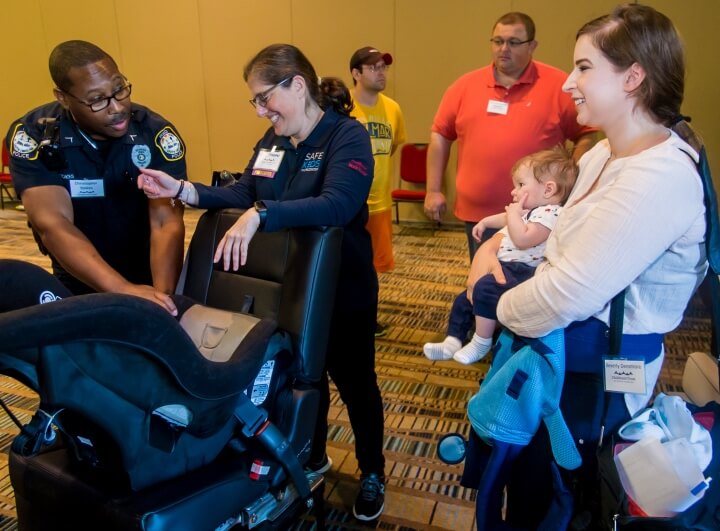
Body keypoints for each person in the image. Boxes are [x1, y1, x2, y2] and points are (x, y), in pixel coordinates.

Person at [137, 44, 387, 522]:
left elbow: (336, 205)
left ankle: (373, 470)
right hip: (288, 286)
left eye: (262, 97)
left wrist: (261, 215)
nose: (259, 109)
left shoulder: (346, 136)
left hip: (343, 287)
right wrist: (184, 190)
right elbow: (243, 190)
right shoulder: (272, 142)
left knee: (354, 381)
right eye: (254, 102)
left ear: (296, 85)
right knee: (298, 375)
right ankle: (310, 455)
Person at [479, 4, 708, 527]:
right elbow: (554, 234)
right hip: (562, 349)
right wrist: (496, 257)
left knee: (562, 498)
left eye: (584, 68)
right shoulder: (604, 154)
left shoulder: (658, 178)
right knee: (528, 480)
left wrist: (491, 304)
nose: (569, 84)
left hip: (597, 369)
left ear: (633, 77)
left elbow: (565, 295)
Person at [5, 40, 185, 316]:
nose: (116, 107)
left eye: (119, 89)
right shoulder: (33, 135)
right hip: (75, 274)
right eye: (97, 100)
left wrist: (161, 300)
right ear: (63, 97)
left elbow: (165, 222)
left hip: (146, 267)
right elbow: (53, 224)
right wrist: (120, 288)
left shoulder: (156, 134)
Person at [424, 11, 597, 261]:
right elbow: (440, 135)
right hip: (479, 213)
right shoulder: (464, 86)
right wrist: (433, 189)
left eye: (514, 42)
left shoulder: (558, 85)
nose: (503, 49)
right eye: (497, 41)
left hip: (536, 216)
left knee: (527, 283)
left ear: (533, 46)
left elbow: (587, 134)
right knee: (484, 277)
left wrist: (569, 178)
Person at [424, 146, 577, 364]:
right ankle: (453, 340)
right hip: (508, 265)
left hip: (522, 271)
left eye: (521, 185)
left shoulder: (551, 214)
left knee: (485, 290)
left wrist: (513, 215)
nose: (514, 192)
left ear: (548, 189)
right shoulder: (531, 210)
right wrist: (486, 222)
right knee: (465, 298)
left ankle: (481, 341)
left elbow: (524, 238)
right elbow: (505, 218)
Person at [349, 46, 407, 337]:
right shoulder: (343, 106)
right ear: (356, 73)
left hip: (380, 204)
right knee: (346, 265)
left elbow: (393, 146)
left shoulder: (393, 108)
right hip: (348, 204)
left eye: (383, 66)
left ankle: (368, 321)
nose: (381, 71)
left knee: (372, 271)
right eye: (373, 67)